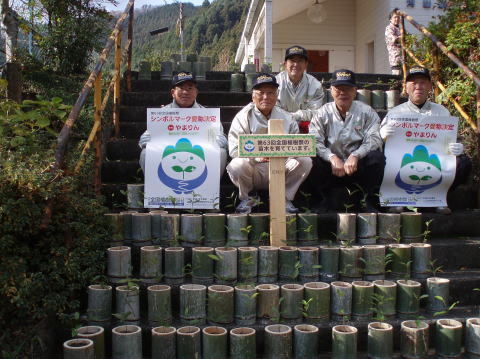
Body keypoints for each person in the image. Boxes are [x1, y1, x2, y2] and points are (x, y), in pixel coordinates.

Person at [380, 66, 471, 214]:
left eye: (422, 82)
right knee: (379, 160)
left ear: (429, 86)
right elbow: (381, 144)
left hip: (434, 161)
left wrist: (457, 146)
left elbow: (452, 140)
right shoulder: (396, 113)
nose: (418, 87)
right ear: (406, 87)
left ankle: (438, 198)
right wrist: (382, 136)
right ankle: (397, 198)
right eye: (413, 83)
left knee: (464, 163)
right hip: (404, 162)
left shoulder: (442, 112)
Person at [227, 73, 312, 214]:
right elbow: (235, 149)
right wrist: (259, 156)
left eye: (270, 93)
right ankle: (248, 197)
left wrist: (279, 155)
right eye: (261, 93)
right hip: (255, 168)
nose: (266, 97)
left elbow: (297, 146)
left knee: (305, 161)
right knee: (236, 165)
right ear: (253, 96)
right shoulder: (243, 117)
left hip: (281, 166)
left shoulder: (287, 117)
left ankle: (284, 198)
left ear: (276, 95)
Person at [309, 69, 385, 212]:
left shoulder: (367, 112)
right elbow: (314, 141)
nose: (343, 93)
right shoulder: (322, 113)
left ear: (355, 90)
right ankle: (321, 200)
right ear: (331, 90)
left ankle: (366, 199)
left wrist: (356, 155)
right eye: (338, 89)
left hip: (356, 166)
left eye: (347, 88)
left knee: (377, 157)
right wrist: (331, 157)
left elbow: (374, 139)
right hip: (331, 167)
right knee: (310, 158)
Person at [138, 71, 228, 175]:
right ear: (173, 92)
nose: (185, 92)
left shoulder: (208, 115)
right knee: (145, 153)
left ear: (196, 92)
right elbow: (146, 137)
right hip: (168, 152)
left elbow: (221, 137)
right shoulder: (161, 114)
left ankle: (212, 190)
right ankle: (155, 189)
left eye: (190, 88)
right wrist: (146, 140)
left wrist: (220, 140)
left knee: (221, 153)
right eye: (181, 88)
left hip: (199, 153)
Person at [276, 45, 325, 133]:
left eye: (300, 61)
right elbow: (273, 109)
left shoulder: (315, 85)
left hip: (307, 131)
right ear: (285, 64)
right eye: (292, 61)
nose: (296, 64)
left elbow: (316, 113)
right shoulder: (276, 83)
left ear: (306, 64)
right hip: (279, 128)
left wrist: (295, 116)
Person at [385, 8, 402, 75]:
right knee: (397, 79)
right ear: (390, 19)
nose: (397, 19)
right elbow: (395, 39)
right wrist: (403, 38)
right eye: (395, 17)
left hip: (403, 58)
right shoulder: (389, 28)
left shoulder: (400, 29)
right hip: (396, 59)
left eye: (398, 17)